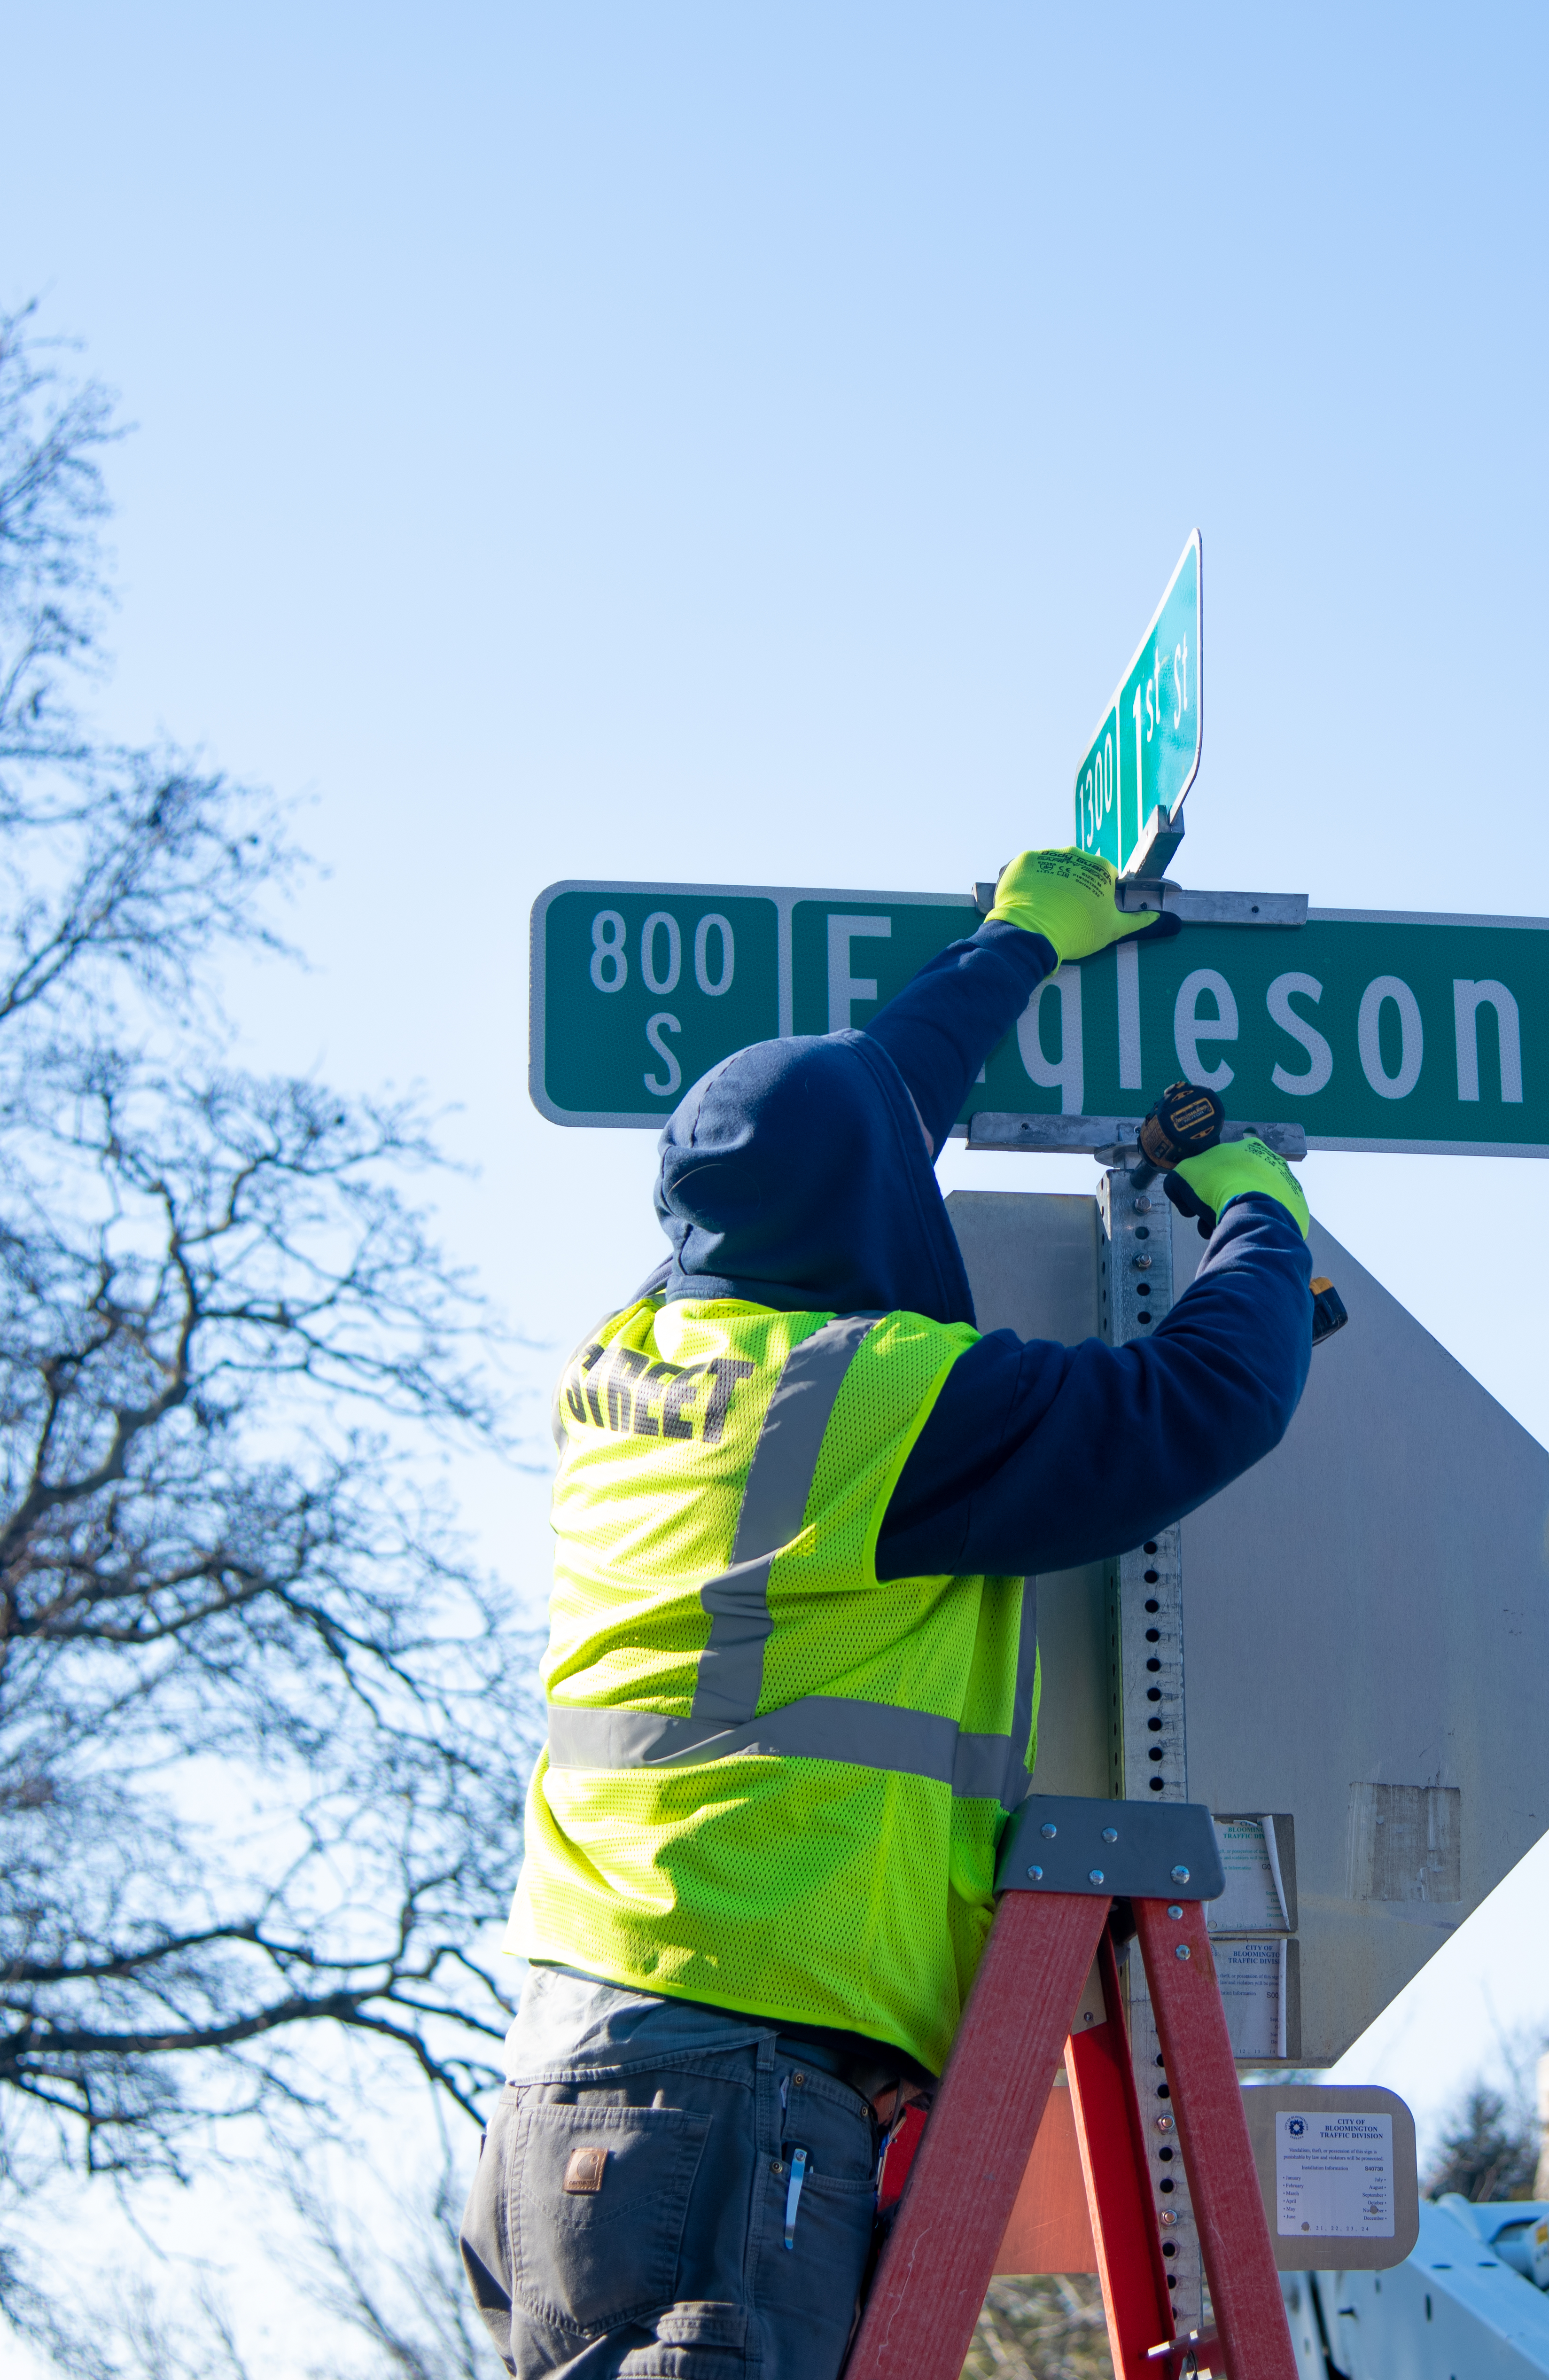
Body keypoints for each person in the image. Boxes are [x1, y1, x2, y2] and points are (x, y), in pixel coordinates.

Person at [461, 848, 1321, 2380]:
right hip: (730, 2094)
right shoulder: (854, 1409)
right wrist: (1259, 1220)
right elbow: (1197, 1406)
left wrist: (1012, 950)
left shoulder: (638, 1354)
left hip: (579, 2090)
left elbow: (852, 1122)